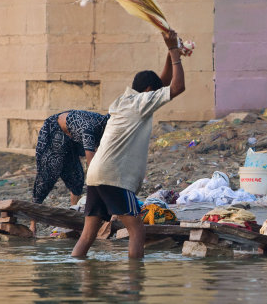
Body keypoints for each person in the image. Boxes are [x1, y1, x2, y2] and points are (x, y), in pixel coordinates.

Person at [72, 29, 186, 258]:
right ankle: (134, 286)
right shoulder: (140, 104)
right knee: (137, 230)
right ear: (147, 92)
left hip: (96, 175)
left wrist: (169, 50)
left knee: (87, 235)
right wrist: (175, 54)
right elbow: (176, 87)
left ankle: (78, 272)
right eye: (154, 93)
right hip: (114, 178)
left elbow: (162, 84)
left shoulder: (125, 100)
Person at [29, 109, 110, 235]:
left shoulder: (105, 127)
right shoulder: (90, 129)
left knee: (77, 177)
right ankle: (32, 225)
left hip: (72, 137)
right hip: (55, 129)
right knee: (46, 177)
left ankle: (74, 216)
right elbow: (92, 165)